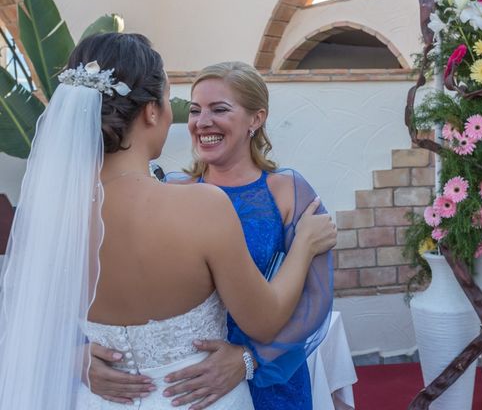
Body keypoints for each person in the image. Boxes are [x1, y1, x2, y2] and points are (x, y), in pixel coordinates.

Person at [0, 33, 336, 409]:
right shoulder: (201, 204)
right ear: (152, 111)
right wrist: (304, 245)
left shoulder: (55, 212)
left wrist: (71, 356)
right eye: (185, 106)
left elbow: (28, 309)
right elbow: (264, 321)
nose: (197, 120)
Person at [88, 61, 334, 409]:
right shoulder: (172, 188)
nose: (202, 122)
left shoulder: (288, 190)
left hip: (270, 376)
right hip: (191, 382)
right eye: (194, 110)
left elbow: (315, 298)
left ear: (255, 119)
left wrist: (251, 359)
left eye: (219, 109)